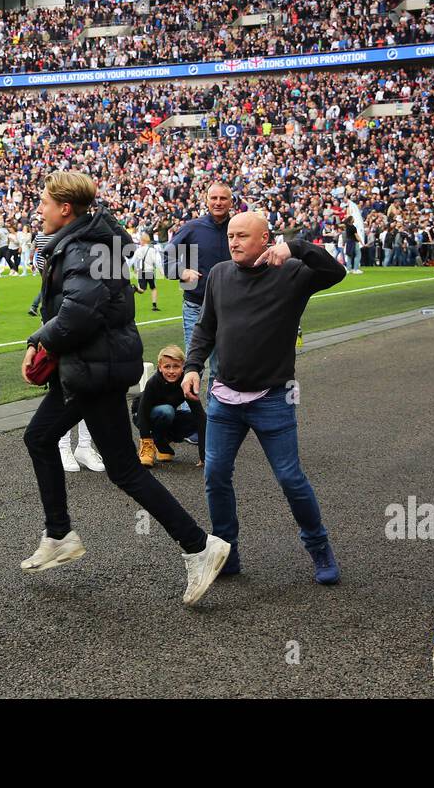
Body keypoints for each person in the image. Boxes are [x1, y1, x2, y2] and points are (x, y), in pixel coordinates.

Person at [19, 171, 229, 606]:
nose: (37, 210)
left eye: (43, 203)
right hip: (97, 366)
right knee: (43, 439)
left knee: (122, 469)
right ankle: (59, 533)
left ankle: (198, 545)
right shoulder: (100, 238)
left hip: (94, 369)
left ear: (64, 208)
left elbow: (81, 313)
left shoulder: (84, 245)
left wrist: (39, 340)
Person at [182, 211, 344, 584]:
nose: (234, 242)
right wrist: (193, 366)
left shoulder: (292, 273)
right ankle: (226, 552)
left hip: (273, 397)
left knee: (289, 477)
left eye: (242, 236)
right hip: (224, 397)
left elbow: (336, 273)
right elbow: (206, 328)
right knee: (215, 474)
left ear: (265, 238)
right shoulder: (220, 274)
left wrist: (296, 247)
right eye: (231, 236)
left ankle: (318, 547)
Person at [167, 182, 232, 384]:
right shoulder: (192, 228)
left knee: (220, 367)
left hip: (230, 307)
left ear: (231, 202)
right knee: (193, 364)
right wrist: (181, 271)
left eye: (223, 198)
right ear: (206, 200)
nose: (218, 202)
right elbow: (168, 255)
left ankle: (215, 414)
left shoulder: (238, 227)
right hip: (196, 306)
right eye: (214, 198)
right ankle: (188, 413)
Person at [137, 345, 204, 467]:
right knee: (166, 411)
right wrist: (145, 438)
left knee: (199, 419)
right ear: (160, 367)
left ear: (183, 367)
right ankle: (148, 445)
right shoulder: (153, 383)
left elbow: (200, 416)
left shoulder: (185, 383)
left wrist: (204, 455)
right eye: (167, 366)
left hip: (167, 414)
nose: (172, 371)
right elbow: (142, 412)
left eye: (176, 366)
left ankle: (161, 441)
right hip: (142, 415)